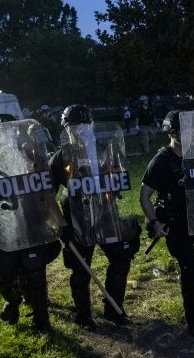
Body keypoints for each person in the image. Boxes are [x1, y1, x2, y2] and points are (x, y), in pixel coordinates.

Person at [0, 114, 64, 335]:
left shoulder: (30, 159)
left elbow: (46, 194)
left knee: (35, 272)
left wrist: (59, 222)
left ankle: (42, 321)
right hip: (4, 228)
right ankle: (14, 301)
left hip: (32, 223)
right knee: (3, 272)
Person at [49, 104, 141, 329]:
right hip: (76, 218)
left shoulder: (105, 149)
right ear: (66, 129)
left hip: (107, 214)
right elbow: (47, 196)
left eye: (82, 125)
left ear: (91, 125)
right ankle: (83, 315)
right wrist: (63, 226)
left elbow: (119, 178)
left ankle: (114, 309)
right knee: (81, 269)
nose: (78, 131)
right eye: (72, 127)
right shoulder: (60, 158)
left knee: (120, 260)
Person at [140, 110, 194, 337]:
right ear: (172, 133)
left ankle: (188, 281)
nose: (190, 133)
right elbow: (144, 195)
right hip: (176, 222)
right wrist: (154, 222)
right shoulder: (161, 161)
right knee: (188, 264)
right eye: (184, 130)